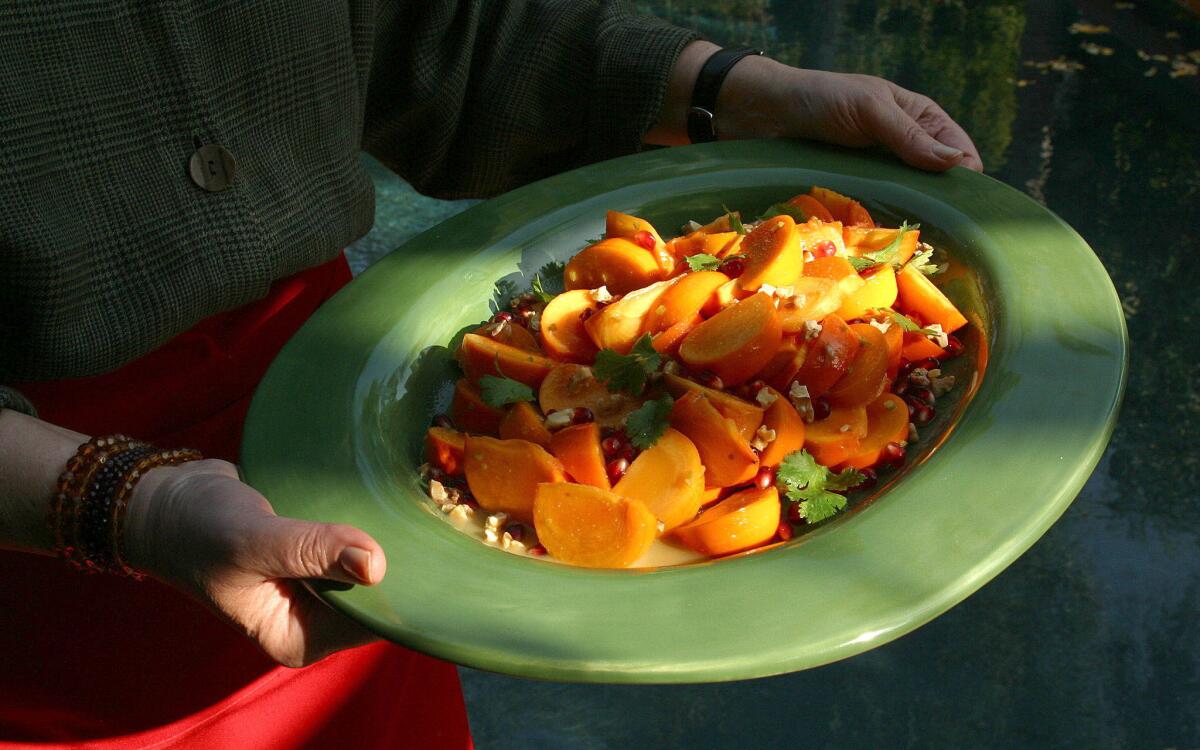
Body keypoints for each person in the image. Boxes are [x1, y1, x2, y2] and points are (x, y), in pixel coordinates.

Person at [0, 2, 981, 747]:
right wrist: (119, 502)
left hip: (342, 455)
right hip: (43, 589)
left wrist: (735, 89)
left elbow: (431, 25)